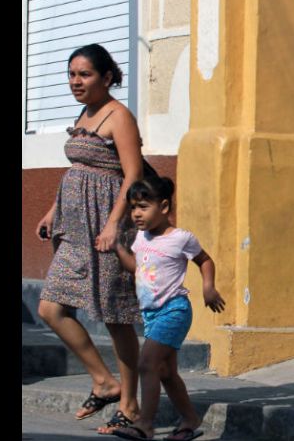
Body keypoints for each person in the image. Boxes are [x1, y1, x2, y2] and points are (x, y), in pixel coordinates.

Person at [36, 43, 144, 434]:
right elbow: (80, 168)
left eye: (84, 74)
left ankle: (130, 405)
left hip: (107, 227)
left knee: (116, 316)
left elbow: (132, 175)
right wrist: (54, 210)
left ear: (107, 77)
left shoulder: (120, 116)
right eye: (71, 74)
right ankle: (104, 382)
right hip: (76, 229)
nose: (75, 82)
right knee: (50, 308)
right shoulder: (85, 113)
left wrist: (114, 224)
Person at [111, 177, 225, 441]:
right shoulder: (141, 237)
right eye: (133, 207)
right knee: (165, 372)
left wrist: (208, 287)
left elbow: (205, 260)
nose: (136, 213)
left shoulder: (180, 238)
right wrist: (117, 249)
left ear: (163, 207)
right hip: (150, 314)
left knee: (147, 363)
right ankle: (190, 419)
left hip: (174, 310)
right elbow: (139, 269)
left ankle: (145, 424)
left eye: (143, 207)